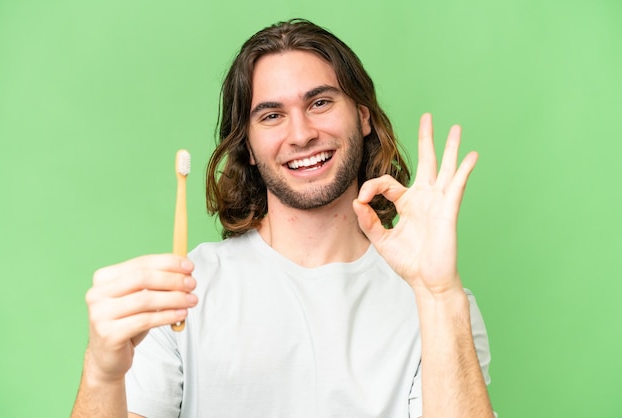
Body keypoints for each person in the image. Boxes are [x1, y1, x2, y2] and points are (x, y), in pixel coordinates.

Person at [71, 18, 495, 418]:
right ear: (249, 148)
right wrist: (101, 372)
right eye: (272, 115)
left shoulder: (438, 304)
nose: (301, 134)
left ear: (363, 116)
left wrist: (439, 297)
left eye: (321, 102)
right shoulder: (183, 293)